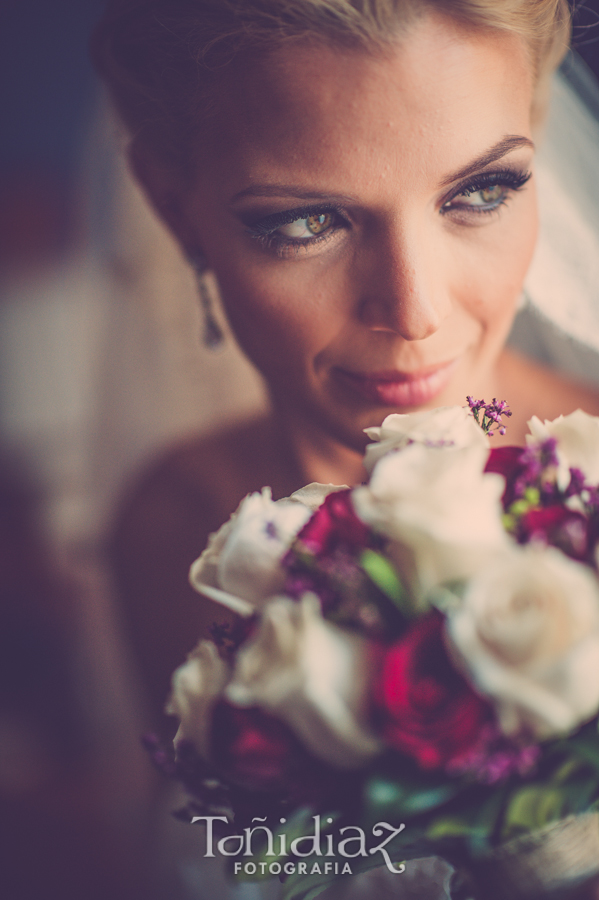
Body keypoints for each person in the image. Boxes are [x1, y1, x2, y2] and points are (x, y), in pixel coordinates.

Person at [89, 2, 599, 897]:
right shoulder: (172, 526)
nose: (414, 311)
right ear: (175, 211)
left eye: (480, 192)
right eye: (304, 223)